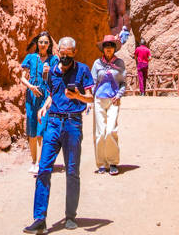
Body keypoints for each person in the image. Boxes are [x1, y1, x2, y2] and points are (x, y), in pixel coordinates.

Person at [24, 36, 94, 233]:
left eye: (67, 54)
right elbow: (53, 94)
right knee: (44, 168)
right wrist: (44, 107)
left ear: (74, 53)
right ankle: (39, 218)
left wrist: (77, 95)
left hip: (72, 123)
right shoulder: (53, 72)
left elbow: (90, 97)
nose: (64, 57)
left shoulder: (83, 70)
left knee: (72, 171)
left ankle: (70, 216)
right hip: (53, 122)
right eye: (61, 54)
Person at [21, 32, 58, 174]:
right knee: (31, 129)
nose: (43, 45)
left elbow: (55, 80)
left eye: (46, 42)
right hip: (31, 95)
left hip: (45, 96)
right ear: (37, 43)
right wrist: (30, 87)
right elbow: (22, 78)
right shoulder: (30, 58)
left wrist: (48, 73)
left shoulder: (54, 60)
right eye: (41, 42)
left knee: (41, 129)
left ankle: (40, 163)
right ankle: (33, 161)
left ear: (49, 45)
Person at [91, 35, 126, 175]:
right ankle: (101, 163)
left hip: (114, 100)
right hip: (99, 99)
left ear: (114, 48)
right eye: (106, 46)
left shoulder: (120, 63)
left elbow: (123, 82)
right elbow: (92, 82)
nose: (109, 49)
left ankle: (112, 162)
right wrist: (89, 99)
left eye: (111, 46)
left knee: (111, 130)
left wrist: (119, 95)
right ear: (103, 49)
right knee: (100, 133)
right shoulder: (97, 64)